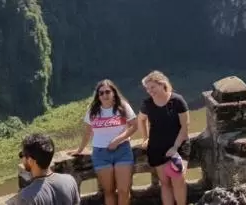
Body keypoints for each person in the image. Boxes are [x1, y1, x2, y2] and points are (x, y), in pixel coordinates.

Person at [71, 79, 137, 205]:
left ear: (113, 93)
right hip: (101, 154)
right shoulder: (93, 110)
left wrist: (117, 140)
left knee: (124, 190)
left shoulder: (123, 107)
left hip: (122, 150)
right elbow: (87, 133)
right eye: (101, 93)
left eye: (107, 92)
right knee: (109, 191)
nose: (104, 95)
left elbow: (134, 126)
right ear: (98, 96)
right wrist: (79, 150)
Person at [138, 70, 190, 205]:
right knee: (165, 183)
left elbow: (185, 128)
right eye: (147, 89)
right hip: (157, 147)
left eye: (152, 87)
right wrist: (145, 138)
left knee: (178, 179)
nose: (150, 91)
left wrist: (175, 147)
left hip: (178, 145)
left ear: (162, 84)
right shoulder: (147, 104)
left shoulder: (177, 101)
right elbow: (141, 120)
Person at [10, 133, 80, 205]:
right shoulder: (70, 181)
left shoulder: (26, 197)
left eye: (22, 155)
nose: (22, 158)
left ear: (30, 161)